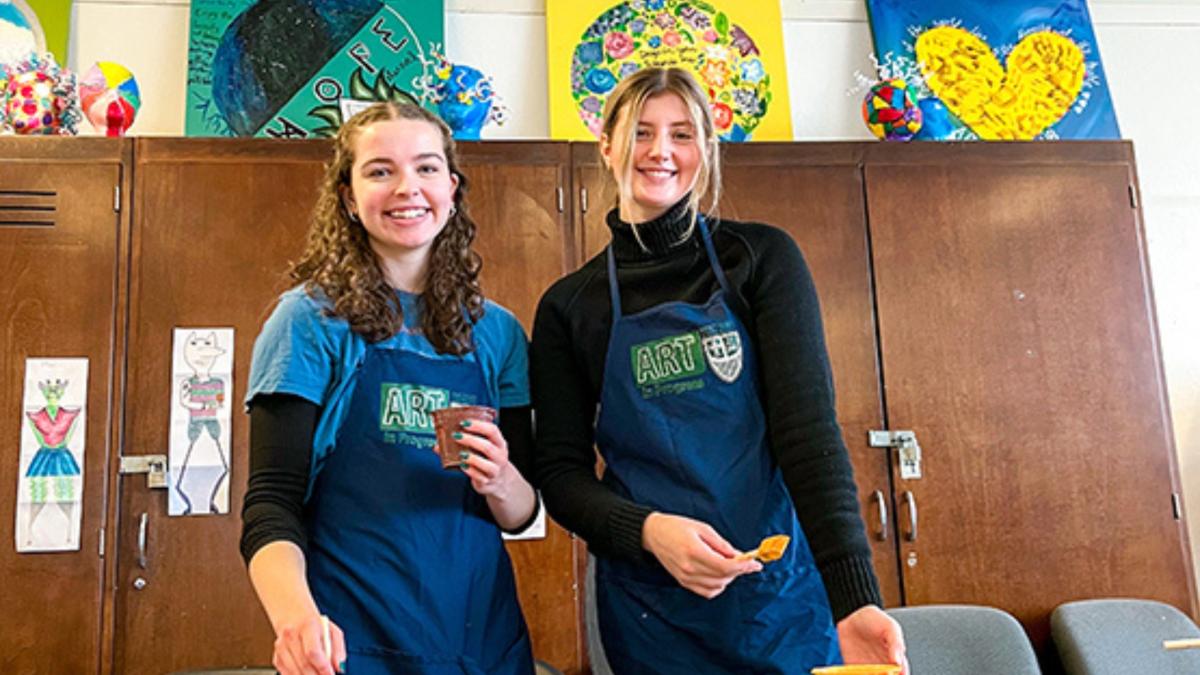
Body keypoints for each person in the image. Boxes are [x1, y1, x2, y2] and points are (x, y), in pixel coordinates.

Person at [530, 67, 907, 673]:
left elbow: (808, 434)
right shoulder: (571, 305)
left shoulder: (760, 258)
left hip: (777, 597)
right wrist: (648, 531)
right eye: (642, 132)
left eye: (682, 134)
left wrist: (856, 599)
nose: (660, 152)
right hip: (650, 611)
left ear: (706, 149)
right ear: (606, 144)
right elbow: (559, 474)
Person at [240, 102, 538, 675]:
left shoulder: (498, 333)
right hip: (351, 644)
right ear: (350, 198)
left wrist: (501, 479)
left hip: (482, 644)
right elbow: (271, 505)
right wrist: (298, 622)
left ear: (450, 189)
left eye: (426, 169)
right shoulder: (306, 322)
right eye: (380, 171)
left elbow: (521, 513)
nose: (408, 188)